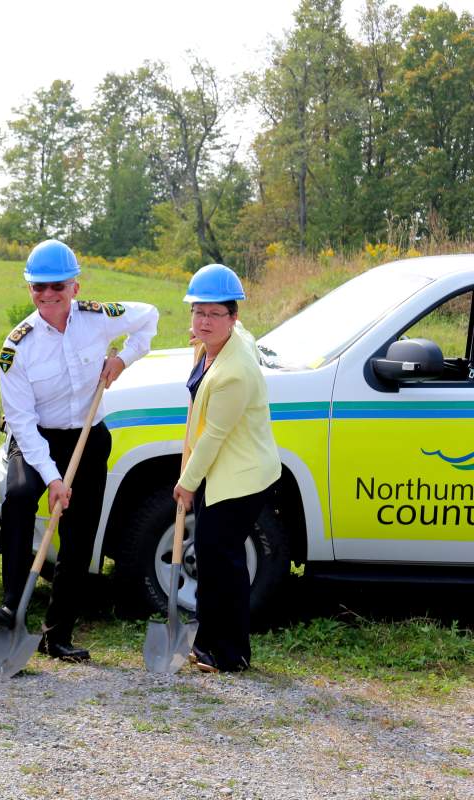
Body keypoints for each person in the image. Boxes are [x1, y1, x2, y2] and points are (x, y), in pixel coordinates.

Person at [0, 240, 159, 661]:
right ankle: (13, 603)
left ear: (75, 286)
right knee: (20, 498)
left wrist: (123, 360)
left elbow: (149, 317)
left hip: (86, 436)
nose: (48, 295)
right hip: (35, 441)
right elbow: (23, 423)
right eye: (38, 288)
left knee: (79, 534)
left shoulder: (96, 318)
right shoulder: (16, 348)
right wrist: (53, 478)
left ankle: (57, 632)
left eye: (57, 287)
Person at [172, 264, 279, 673]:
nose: (204, 321)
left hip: (239, 478)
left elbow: (213, 437)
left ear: (232, 318)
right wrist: (203, 337)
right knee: (215, 558)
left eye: (215, 314)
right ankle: (208, 644)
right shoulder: (226, 342)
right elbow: (237, 334)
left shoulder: (234, 372)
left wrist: (186, 484)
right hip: (227, 473)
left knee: (223, 563)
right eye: (198, 312)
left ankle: (231, 653)